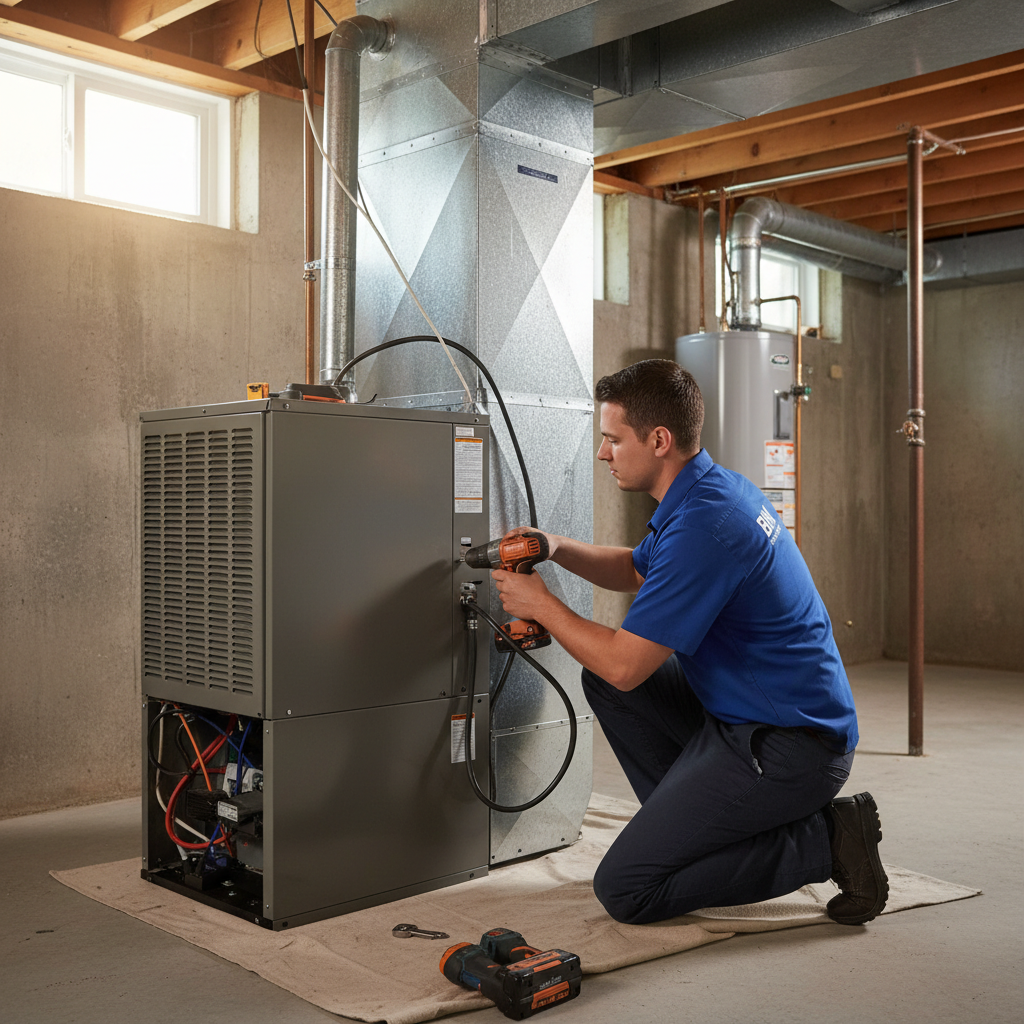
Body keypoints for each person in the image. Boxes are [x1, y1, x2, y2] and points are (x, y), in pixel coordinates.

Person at [492, 358, 888, 926]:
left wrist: (542, 607)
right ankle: (695, 832)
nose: (603, 453)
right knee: (603, 683)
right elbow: (635, 570)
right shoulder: (707, 492)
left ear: (659, 440)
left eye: (612, 439)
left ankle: (826, 839)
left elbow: (627, 665)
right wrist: (554, 546)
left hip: (791, 746)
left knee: (628, 890)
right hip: (744, 715)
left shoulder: (709, 525)